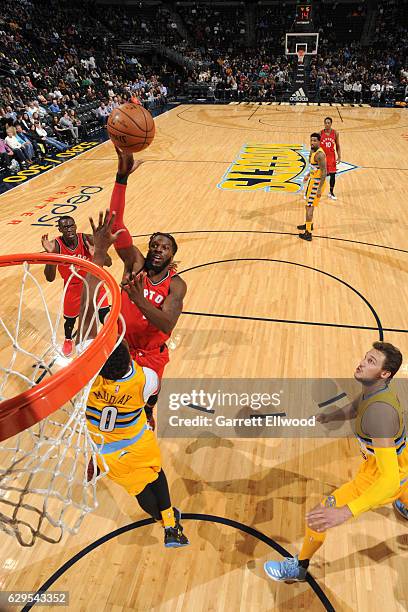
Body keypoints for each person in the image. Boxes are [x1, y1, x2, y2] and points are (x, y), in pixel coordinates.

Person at [264, 341, 408, 582]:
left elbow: (389, 479)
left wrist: (345, 512)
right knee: (404, 487)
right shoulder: (377, 391)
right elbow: (357, 406)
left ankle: (299, 567)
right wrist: (331, 416)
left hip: (377, 477)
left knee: (318, 517)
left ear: (385, 373)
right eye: (365, 357)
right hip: (404, 463)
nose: (362, 362)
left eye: (371, 361)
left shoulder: (379, 415)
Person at [95, 147, 187, 429]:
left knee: (149, 394)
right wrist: (121, 179)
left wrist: (140, 301)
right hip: (122, 345)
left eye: (165, 247)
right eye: (155, 244)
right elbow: (116, 223)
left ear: (172, 254)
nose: (158, 249)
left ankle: (148, 411)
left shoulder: (177, 284)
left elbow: (167, 322)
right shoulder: (134, 263)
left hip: (151, 353)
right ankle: (103, 440)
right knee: (111, 398)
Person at [41, 216, 111, 357]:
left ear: (75, 226)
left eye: (71, 226)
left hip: (92, 284)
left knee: (105, 315)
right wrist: (51, 256)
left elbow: (109, 263)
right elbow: (49, 278)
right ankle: (68, 339)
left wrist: (98, 253)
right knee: (70, 320)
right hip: (73, 288)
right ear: (60, 230)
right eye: (65, 227)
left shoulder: (87, 239)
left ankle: (112, 338)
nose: (69, 229)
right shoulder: (56, 246)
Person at [297, 133, 327, 242]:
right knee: (308, 206)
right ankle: (308, 224)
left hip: (317, 183)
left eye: (315, 141)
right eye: (311, 140)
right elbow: (315, 167)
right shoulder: (312, 151)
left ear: (319, 141)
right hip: (312, 180)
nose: (312, 142)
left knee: (309, 207)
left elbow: (324, 172)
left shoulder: (320, 155)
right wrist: (308, 175)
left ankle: (308, 233)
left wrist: (319, 189)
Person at [320, 117, 341, 200]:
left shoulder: (335, 133)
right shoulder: (320, 133)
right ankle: (315, 191)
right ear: (324, 123)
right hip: (322, 157)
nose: (327, 124)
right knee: (320, 176)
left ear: (331, 124)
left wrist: (339, 156)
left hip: (331, 157)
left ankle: (331, 192)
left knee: (333, 175)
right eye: (326, 123)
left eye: (329, 123)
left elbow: (338, 145)